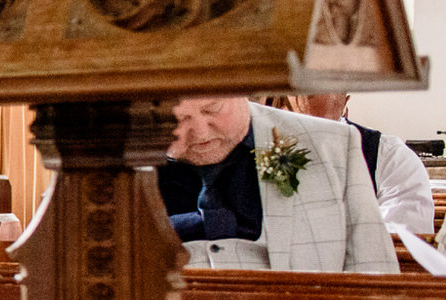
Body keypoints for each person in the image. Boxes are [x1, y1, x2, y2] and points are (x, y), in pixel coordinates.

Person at [162, 95, 396, 273]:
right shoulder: (130, 168)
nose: (201, 131)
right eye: (179, 118)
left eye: (212, 108)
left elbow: (376, 277)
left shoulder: (330, 145)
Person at [279, 93, 435, 241]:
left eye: (324, 128)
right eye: (297, 125)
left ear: (344, 109)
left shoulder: (391, 158)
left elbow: (401, 243)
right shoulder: (262, 146)